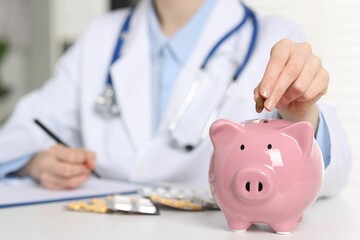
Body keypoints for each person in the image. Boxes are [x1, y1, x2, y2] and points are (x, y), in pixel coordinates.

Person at [0, 0, 351, 196]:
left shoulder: (272, 39)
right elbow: (22, 131)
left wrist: (302, 114)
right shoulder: (100, 38)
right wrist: (35, 161)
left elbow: (331, 176)